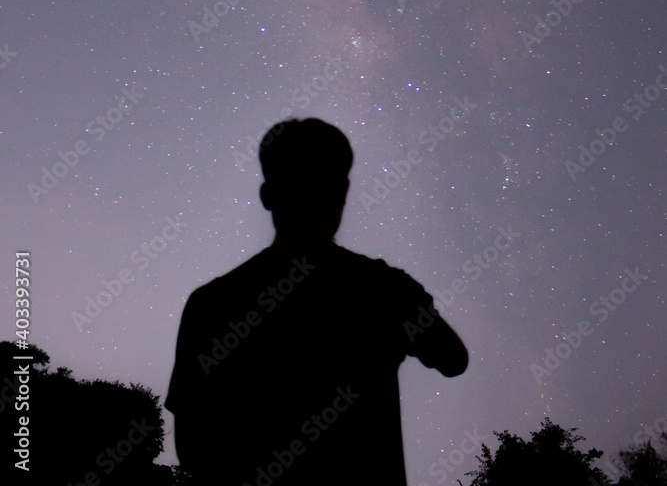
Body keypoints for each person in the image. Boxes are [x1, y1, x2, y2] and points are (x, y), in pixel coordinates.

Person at [165, 117, 468, 485]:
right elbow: (453, 359)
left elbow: (192, 448)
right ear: (343, 191)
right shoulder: (385, 288)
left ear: (267, 195)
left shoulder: (210, 303)